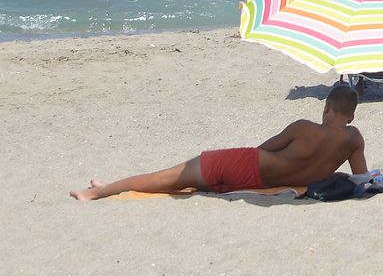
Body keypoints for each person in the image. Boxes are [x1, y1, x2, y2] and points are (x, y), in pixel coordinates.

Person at [69, 85, 366, 201]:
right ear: (351, 116)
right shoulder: (353, 140)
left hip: (246, 166)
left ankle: (98, 192)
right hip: (265, 183)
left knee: (167, 177)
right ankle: (102, 189)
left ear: (326, 108)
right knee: (174, 181)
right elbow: (361, 178)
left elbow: (264, 148)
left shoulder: (304, 128)